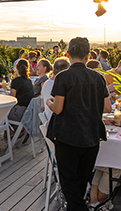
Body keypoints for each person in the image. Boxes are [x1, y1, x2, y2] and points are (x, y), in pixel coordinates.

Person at [46, 37, 112, 211]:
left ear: (68, 55)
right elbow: (107, 107)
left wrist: (49, 102)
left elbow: (58, 109)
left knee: (70, 184)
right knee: (81, 183)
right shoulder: (98, 78)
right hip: (91, 137)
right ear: (88, 55)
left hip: (67, 137)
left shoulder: (63, 77)